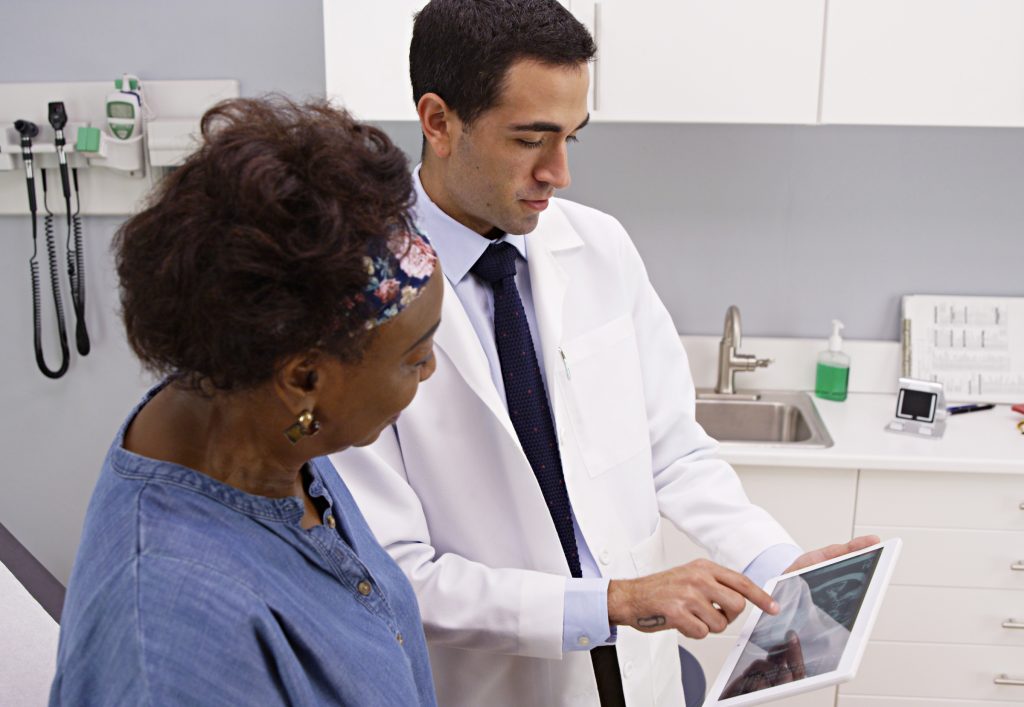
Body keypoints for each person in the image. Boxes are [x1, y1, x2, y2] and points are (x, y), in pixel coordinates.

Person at [332, 1, 876, 705]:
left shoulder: (599, 248)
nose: (558, 172)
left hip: (638, 669)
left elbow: (673, 451)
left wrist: (779, 566)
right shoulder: (357, 292)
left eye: (571, 138)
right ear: (438, 122)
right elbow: (394, 571)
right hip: (496, 682)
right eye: (530, 139)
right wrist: (609, 601)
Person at [49, 98, 443, 706]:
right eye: (415, 357)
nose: (430, 369)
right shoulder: (170, 642)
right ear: (304, 378)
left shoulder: (260, 419)